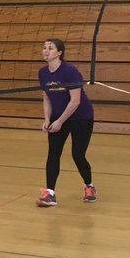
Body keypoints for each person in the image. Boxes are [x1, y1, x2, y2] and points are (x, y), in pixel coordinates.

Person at [37, 37, 95, 206]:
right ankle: (50, 193)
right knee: (53, 154)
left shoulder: (70, 71)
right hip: (57, 117)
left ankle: (89, 186)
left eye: (50, 48)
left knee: (78, 154)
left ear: (60, 53)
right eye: (44, 47)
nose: (46, 51)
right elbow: (46, 98)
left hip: (80, 117)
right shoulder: (42, 72)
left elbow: (75, 101)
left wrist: (60, 121)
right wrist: (47, 119)